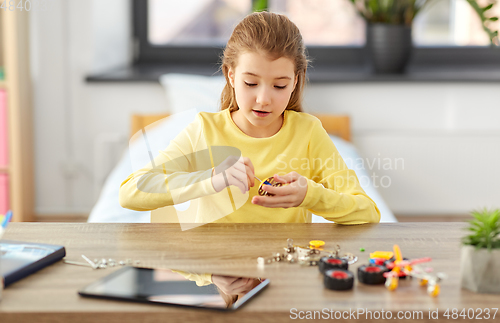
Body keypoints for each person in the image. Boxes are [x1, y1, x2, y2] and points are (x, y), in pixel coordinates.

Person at [119, 11, 380, 225]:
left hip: (287, 277)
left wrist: (309, 195)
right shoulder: (205, 130)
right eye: (251, 83)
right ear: (231, 76)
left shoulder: (308, 132)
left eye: (279, 86)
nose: (264, 99)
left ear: (295, 82)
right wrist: (210, 179)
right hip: (221, 273)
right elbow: (131, 193)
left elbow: (367, 212)